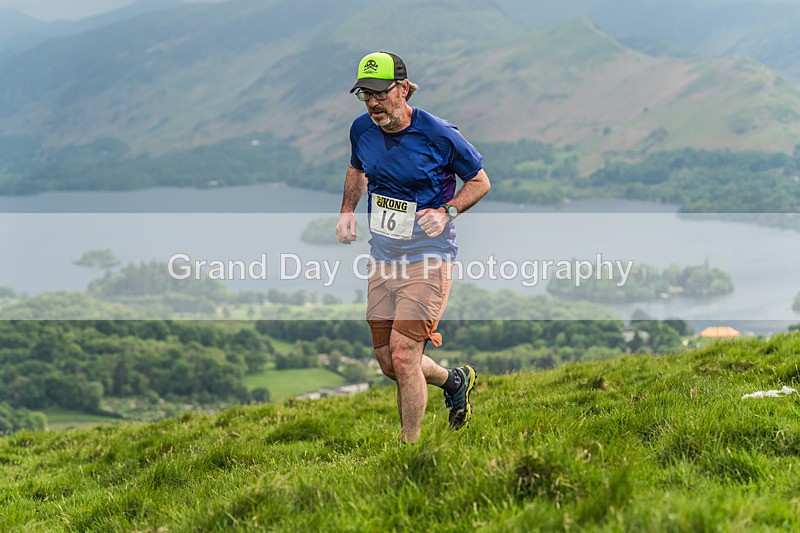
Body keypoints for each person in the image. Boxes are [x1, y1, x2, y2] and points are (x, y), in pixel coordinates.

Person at [335, 51, 491, 443]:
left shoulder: (439, 134)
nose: (373, 103)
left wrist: (447, 211)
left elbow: (480, 181)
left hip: (429, 256)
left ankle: (410, 453)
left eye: (380, 93)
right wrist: (347, 210)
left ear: (403, 89)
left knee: (405, 356)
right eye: (364, 95)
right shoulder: (362, 130)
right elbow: (357, 169)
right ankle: (454, 381)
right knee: (389, 361)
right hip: (383, 259)